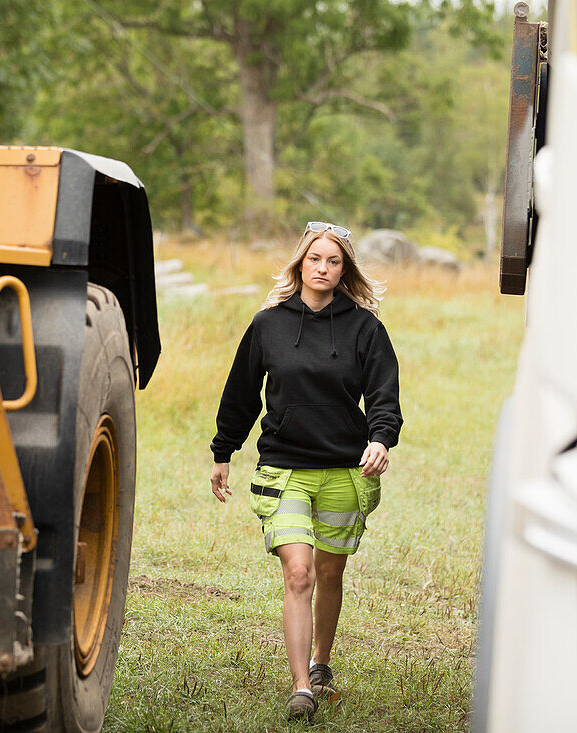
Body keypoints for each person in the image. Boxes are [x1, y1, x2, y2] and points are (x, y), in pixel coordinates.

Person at [209, 221, 403, 721]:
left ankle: (321, 662)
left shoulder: (365, 329)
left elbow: (384, 394)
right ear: (300, 263)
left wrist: (381, 439)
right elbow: (240, 393)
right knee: (298, 573)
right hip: (284, 465)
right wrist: (223, 451)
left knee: (328, 572)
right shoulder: (268, 323)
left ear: (345, 270)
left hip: (345, 469)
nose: (323, 268)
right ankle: (302, 688)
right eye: (315, 259)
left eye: (333, 261)